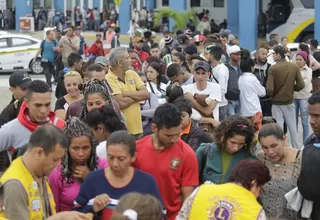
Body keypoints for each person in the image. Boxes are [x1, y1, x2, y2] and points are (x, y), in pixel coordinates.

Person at [0, 125, 91, 220]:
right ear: (39, 153)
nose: (58, 164)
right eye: (55, 159)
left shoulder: (40, 173)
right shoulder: (15, 185)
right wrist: (60, 217)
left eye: (61, 159)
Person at [73, 130, 165, 219]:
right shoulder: (92, 180)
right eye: (110, 157)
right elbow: (75, 214)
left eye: (121, 159)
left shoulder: (147, 182)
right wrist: (93, 208)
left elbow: (161, 216)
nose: (115, 164)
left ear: (133, 157)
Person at [132, 103, 199, 220]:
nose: (174, 140)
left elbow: (188, 197)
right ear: (154, 128)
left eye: (177, 134)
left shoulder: (187, 154)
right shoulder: (136, 149)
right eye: (168, 135)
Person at [176, 159, 270, 220]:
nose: (258, 195)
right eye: (260, 189)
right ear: (253, 183)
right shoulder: (257, 212)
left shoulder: (201, 191)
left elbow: (181, 218)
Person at [49, 117, 108, 212]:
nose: (81, 153)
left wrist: (90, 178)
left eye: (85, 148)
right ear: (67, 148)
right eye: (75, 148)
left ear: (92, 147)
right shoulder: (57, 174)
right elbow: (53, 210)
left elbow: (111, 196)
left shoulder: (104, 165)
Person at [0, 80, 65, 157]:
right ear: (26, 103)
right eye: (38, 105)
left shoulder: (61, 126)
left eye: (47, 104)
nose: (43, 111)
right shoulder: (10, 129)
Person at [257, 123, 301, 219]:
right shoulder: (261, 157)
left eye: (274, 145)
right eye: (265, 147)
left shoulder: (301, 158)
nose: (270, 152)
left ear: (284, 139)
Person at [196, 115, 256, 184]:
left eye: (241, 144)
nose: (235, 148)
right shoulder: (204, 151)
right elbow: (190, 181)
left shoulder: (249, 158)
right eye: (233, 142)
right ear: (223, 136)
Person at [266, 45, 305, 148]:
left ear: (278, 55)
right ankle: (296, 149)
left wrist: (270, 95)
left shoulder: (272, 68)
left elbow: (270, 89)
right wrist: (291, 89)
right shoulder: (294, 66)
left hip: (276, 103)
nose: (273, 56)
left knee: (278, 128)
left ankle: (280, 148)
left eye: (274, 54)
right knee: (293, 127)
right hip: (289, 101)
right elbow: (301, 85)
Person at [106, 47, 149, 139]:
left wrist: (126, 94)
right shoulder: (108, 78)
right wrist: (137, 95)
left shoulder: (132, 73)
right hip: (122, 132)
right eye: (128, 58)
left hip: (138, 130)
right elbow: (121, 103)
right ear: (120, 63)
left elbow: (146, 94)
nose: (131, 60)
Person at [238, 58, 266, 133]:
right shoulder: (252, 78)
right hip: (254, 110)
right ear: (251, 67)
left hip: (244, 111)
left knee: (247, 133)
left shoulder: (240, 78)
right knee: (256, 133)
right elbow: (262, 93)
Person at [293, 50, 313, 143]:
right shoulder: (293, 69)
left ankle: (305, 143)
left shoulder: (308, 70)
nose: (298, 61)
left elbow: (305, 82)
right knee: (294, 122)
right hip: (294, 97)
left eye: (300, 59)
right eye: (297, 59)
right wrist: (300, 81)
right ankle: (295, 142)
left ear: (305, 60)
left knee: (305, 122)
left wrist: (296, 82)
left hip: (304, 97)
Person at [207, 46, 229, 121]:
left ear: (212, 55)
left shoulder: (221, 69)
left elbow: (223, 89)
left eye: (208, 54)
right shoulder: (213, 68)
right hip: (214, 104)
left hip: (220, 105)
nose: (207, 56)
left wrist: (213, 100)